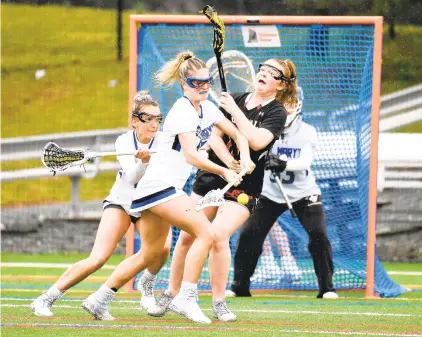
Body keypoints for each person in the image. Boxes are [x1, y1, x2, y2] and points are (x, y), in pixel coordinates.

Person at [81, 50, 255, 324]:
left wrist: (241, 159)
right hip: (159, 186)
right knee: (206, 232)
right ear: (185, 84)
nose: (204, 87)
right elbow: (191, 156)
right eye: (197, 83)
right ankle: (186, 296)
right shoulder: (182, 110)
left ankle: (99, 298)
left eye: (207, 81)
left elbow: (237, 134)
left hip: (156, 189)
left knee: (150, 253)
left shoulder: (207, 108)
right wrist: (224, 170)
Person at [148, 59, 299, 322]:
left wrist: (234, 111)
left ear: (281, 84)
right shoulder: (237, 98)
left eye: (272, 73)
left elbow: (256, 141)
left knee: (217, 235)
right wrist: (228, 161)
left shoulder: (276, 112)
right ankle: (171, 294)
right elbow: (215, 137)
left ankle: (218, 302)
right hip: (213, 175)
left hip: (246, 184)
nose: (263, 73)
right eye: (262, 68)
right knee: (186, 237)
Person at [30, 91, 170, 317]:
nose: (154, 124)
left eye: (158, 119)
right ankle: (46, 298)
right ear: (135, 121)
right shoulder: (124, 141)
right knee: (98, 258)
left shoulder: (164, 141)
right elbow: (133, 177)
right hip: (122, 202)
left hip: (148, 205)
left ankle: (145, 289)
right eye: (148, 119)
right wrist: (143, 161)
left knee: (161, 249)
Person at [228, 87, 338, 299]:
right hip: (270, 194)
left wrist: (282, 163)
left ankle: (327, 287)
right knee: (249, 235)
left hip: (304, 193)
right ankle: (239, 286)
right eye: (282, 102)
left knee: (319, 235)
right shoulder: (265, 130)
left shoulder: (307, 132)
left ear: (297, 105)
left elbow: (305, 162)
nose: (286, 108)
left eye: (290, 103)